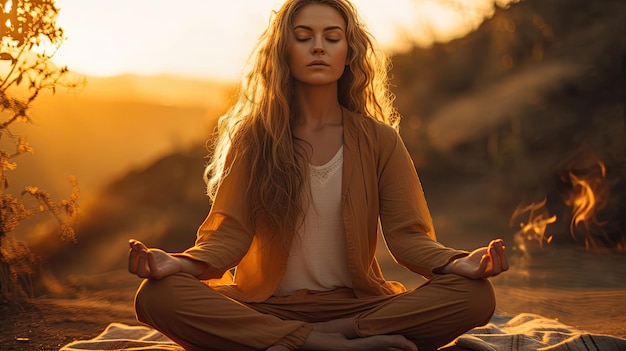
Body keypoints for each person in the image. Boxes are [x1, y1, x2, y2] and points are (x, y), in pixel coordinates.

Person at [128, 0, 509, 350]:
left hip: (357, 309)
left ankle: (319, 338)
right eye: (303, 36)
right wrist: (177, 264)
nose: (318, 47)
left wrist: (459, 263)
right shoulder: (255, 138)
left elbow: (408, 237)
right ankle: (328, 344)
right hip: (267, 307)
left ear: (349, 53)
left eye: (332, 37)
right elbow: (228, 234)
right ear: (284, 52)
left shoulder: (380, 140)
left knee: (475, 295)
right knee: (156, 295)